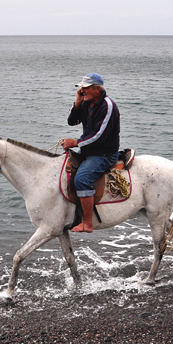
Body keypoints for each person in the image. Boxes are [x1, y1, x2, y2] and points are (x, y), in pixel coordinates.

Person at [61, 73, 120, 233]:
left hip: (104, 154)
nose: (82, 91)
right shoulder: (87, 102)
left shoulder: (107, 106)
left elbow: (99, 135)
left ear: (97, 89)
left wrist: (76, 142)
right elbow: (71, 121)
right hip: (88, 150)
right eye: (81, 88)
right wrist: (78, 102)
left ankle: (87, 223)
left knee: (82, 179)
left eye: (85, 88)